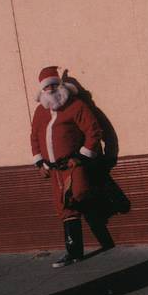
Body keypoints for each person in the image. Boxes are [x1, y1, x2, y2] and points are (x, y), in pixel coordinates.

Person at [30, 66, 103, 267]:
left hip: (73, 164)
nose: (51, 90)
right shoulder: (40, 111)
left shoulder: (76, 105)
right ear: (42, 90)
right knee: (64, 207)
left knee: (77, 196)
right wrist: (39, 162)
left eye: (54, 85)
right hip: (54, 170)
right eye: (46, 87)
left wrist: (81, 156)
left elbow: (93, 131)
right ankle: (74, 252)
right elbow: (35, 136)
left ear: (60, 86)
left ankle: (97, 235)